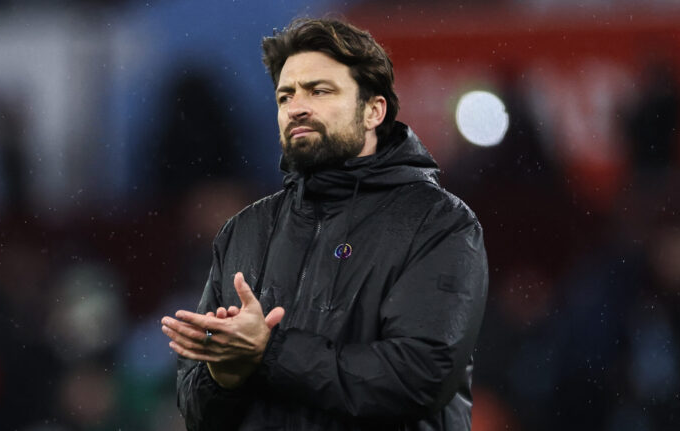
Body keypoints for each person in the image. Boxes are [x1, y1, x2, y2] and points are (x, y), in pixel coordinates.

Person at [161, 18, 488, 431]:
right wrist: (224, 376)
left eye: (319, 90)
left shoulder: (439, 223)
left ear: (374, 110)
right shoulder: (244, 230)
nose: (296, 107)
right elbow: (194, 410)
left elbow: (420, 377)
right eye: (285, 96)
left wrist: (268, 352)